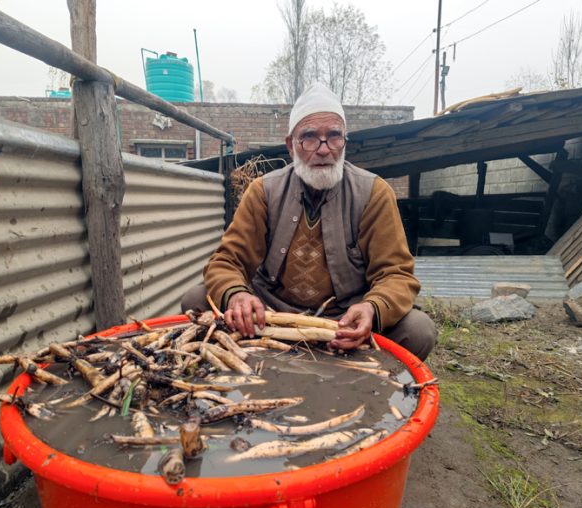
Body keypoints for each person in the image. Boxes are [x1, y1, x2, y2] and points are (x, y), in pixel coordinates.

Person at [182, 84, 436, 360]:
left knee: (418, 330)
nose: (324, 149)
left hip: (343, 320)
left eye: (334, 136)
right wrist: (237, 296)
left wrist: (372, 309)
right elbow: (226, 262)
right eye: (310, 137)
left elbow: (396, 274)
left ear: (344, 142)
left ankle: (367, 379)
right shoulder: (264, 191)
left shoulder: (373, 193)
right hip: (271, 316)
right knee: (195, 300)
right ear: (291, 145)